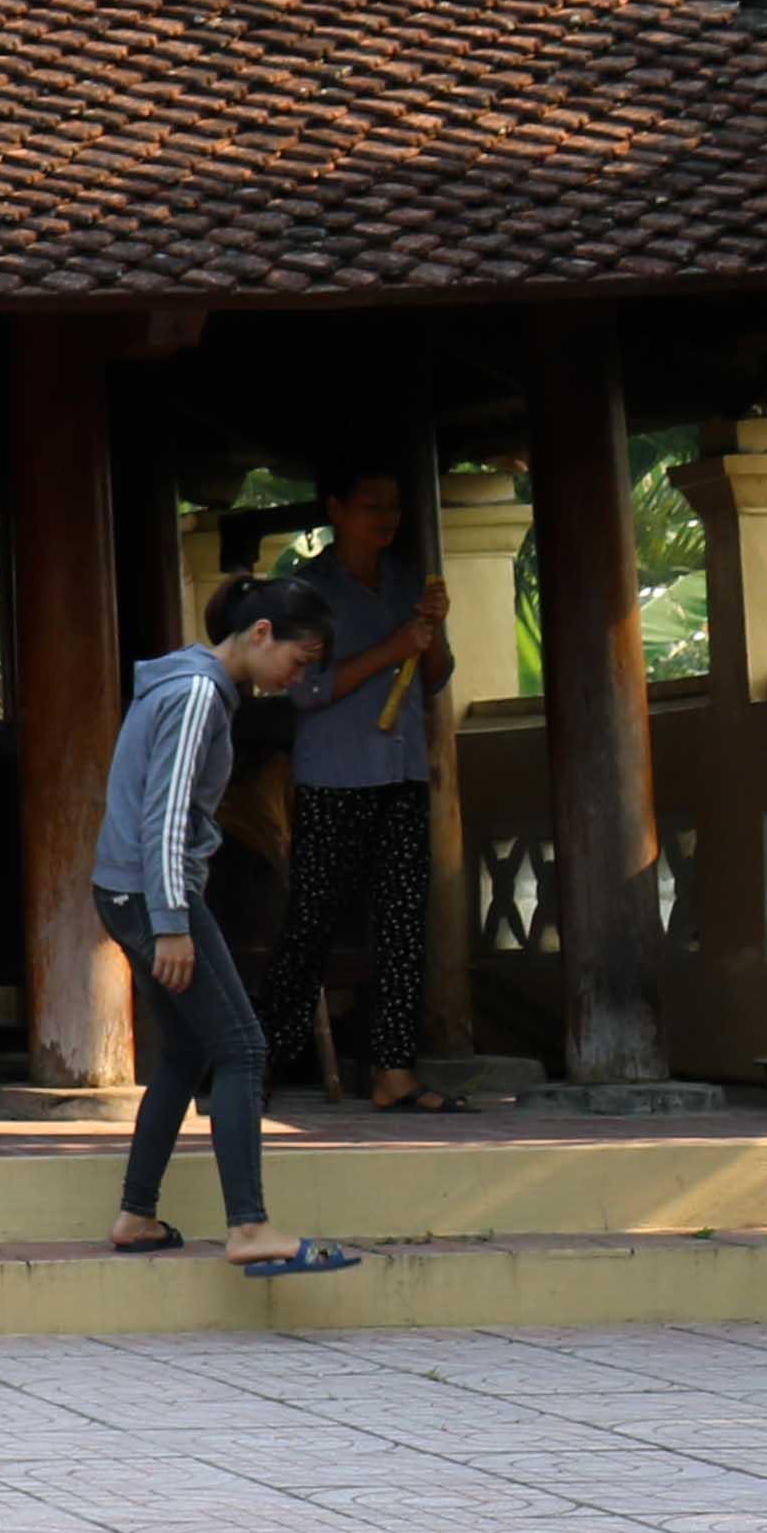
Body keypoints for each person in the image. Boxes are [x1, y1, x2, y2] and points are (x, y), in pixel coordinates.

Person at [99, 569, 359, 1276]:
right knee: (243, 1048)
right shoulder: (195, 694)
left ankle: (136, 1214)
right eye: (297, 662)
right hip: (153, 895)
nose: (294, 679)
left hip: (131, 892)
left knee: (187, 1051)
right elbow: (167, 815)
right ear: (261, 633)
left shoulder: (193, 685)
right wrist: (173, 922)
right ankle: (249, 1227)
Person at [278, 469, 457, 1109]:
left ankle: (393, 1071)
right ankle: (264, 1063)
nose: (387, 517)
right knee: (312, 924)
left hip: (402, 773)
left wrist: (429, 633)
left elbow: (435, 676)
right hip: (334, 777)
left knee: (404, 923)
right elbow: (305, 689)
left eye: (394, 506)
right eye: (371, 505)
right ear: (336, 508)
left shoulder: (407, 582)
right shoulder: (309, 592)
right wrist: (392, 647)